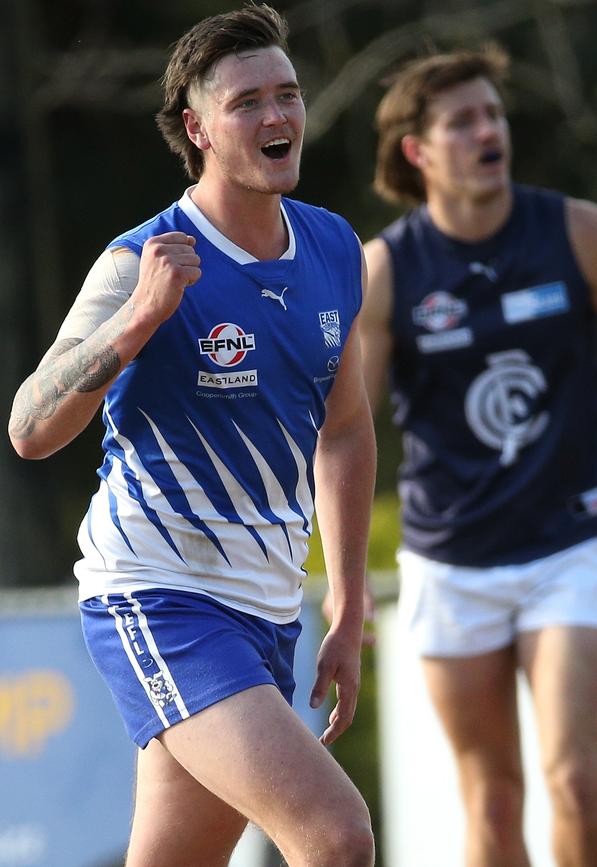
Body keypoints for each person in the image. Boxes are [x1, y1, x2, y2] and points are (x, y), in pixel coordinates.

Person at [8, 5, 376, 866]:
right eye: (249, 102)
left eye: (288, 94)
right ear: (197, 128)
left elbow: (348, 426)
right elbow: (28, 427)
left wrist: (350, 603)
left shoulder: (332, 247)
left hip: (266, 610)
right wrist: (136, 322)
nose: (278, 116)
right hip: (159, 596)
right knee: (336, 834)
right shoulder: (141, 261)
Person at [361, 46, 597, 867]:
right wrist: (341, 572)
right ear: (419, 152)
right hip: (450, 563)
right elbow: (350, 428)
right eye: (463, 121)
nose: (489, 131)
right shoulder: (385, 269)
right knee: (491, 801)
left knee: (574, 778)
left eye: (494, 114)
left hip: (568, 545)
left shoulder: (579, 231)